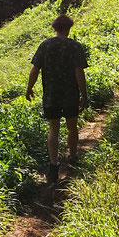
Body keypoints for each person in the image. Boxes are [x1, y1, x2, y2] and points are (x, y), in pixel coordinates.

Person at [26, 13, 88, 184]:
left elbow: (35, 70)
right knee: (72, 126)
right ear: (69, 28)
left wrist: (29, 88)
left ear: (54, 28)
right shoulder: (75, 46)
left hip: (51, 93)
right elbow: (79, 72)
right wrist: (84, 94)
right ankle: (73, 157)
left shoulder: (45, 45)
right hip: (70, 93)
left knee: (53, 128)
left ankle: (53, 165)